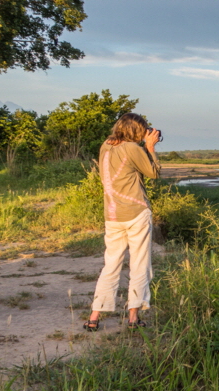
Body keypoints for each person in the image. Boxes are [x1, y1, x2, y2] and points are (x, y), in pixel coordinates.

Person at [84, 113, 161, 331]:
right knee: (139, 264)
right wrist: (151, 147)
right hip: (136, 212)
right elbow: (153, 173)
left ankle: (94, 316)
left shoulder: (106, 145)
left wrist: (142, 144)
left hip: (112, 215)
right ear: (138, 130)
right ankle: (133, 317)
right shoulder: (133, 149)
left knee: (111, 264)